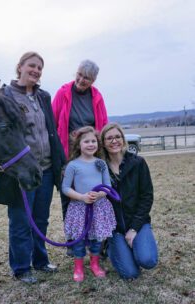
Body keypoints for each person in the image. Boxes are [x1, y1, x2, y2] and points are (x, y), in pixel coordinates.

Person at [0, 52, 66, 284]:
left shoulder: (43, 96)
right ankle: (22, 268)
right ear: (20, 67)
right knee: (21, 221)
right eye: (31, 65)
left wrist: (60, 163)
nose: (36, 70)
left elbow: (51, 131)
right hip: (21, 172)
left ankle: (41, 261)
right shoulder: (5, 97)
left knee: (40, 220)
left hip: (46, 168)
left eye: (40, 68)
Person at [52, 59, 109, 255]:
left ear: (93, 80)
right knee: (70, 196)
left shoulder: (97, 97)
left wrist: (101, 150)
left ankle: (96, 239)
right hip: (68, 154)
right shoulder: (63, 93)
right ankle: (72, 240)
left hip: (91, 151)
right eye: (80, 75)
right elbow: (53, 120)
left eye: (87, 78)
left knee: (94, 193)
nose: (81, 80)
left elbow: (102, 123)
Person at [100, 123, 158, 280]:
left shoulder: (138, 163)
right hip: (114, 228)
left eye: (117, 137)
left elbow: (147, 197)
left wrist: (134, 229)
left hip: (137, 222)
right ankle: (110, 247)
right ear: (103, 143)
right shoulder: (99, 168)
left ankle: (139, 241)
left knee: (148, 260)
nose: (114, 141)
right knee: (130, 273)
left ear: (123, 140)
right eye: (109, 138)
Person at [62, 126, 116, 282]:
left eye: (94, 141)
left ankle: (94, 264)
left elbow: (108, 186)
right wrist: (81, 197)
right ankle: (78, 266)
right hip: (79, 208)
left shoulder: (101, 163)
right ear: (79, 144)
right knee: (79, 238)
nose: (91, 144)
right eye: (86, 141)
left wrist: (101, 194)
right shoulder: (73, 165)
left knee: (97, 238)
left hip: (98, 207)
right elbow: (65, 188)